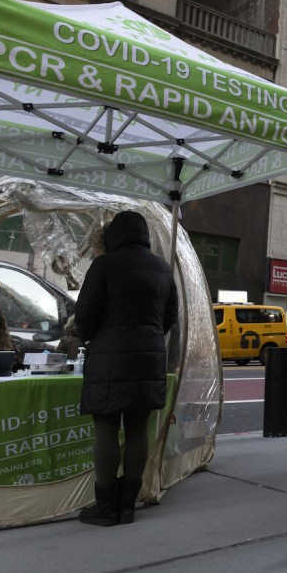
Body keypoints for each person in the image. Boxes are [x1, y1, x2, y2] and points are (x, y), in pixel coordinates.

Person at [75, 210, 179, 527]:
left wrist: (92, 336)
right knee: (137, 428)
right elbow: (170, 316)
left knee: (106, 426)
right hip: (149, 357)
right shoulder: (163, 268)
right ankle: (127, 505)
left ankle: (105, 506)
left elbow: (84, 315)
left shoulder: (104, 265)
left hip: (110, 356)